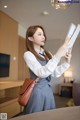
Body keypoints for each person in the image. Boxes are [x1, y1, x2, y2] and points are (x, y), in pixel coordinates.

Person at [23, 25, 72, 114]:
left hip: (48, 91)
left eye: (43, 34)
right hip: (37, 92)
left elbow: (55, 73)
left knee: (49, 115)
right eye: (39, 34)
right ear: (30, 38)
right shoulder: (28, 54)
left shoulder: (47, 53)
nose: (43, 37)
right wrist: (57, 55)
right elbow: (41, 73)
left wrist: (67, 62)